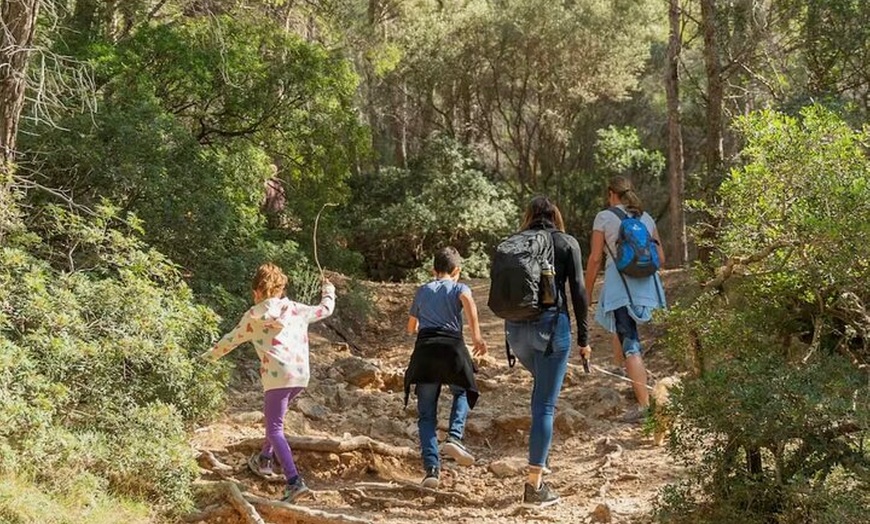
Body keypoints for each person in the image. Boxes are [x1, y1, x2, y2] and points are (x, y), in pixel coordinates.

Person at [201, 263, 335, 502]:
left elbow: (229, 341)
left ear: (256, 292)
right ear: (281, 289)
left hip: (277, 377)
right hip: (300, 375)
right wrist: (329, 290)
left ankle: (294, 481)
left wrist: (206, 359)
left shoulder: (253, 317)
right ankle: (265, 458)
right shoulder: (295, 309)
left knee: (274, 428)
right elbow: (325, 309)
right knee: (276, 421)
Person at [503, 196, 591, 508]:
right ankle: (534, 487)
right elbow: (578, 291)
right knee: (544, 407)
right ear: (555, 215)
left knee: (541, 394)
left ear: (528, 216)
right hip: (552, 330)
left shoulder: (515, 243)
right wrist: (584, 338)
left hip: (516, 334)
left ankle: (541, 456)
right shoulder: (567, 243)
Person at [403, 247, 487, 489]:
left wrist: (420, 324)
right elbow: (468, 302)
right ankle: (454, 437)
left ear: (433, 270)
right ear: (457, 271)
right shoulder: (461, 287)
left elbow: (411, 327)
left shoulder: (422, 289)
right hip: (452, 348)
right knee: (462, 390)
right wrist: (477, 337)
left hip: (426, 350)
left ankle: (431, 469)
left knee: (426, 414)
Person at [584, 176, 666, 420]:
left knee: (631, 345)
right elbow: (660, 258)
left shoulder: (604, 217)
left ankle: (645, 408)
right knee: (624, 336)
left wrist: (586, 292)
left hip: (620, 288)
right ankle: (623, 372)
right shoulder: (647, 217)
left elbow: (595, 258)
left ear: (611, 194)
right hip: (648, 288)